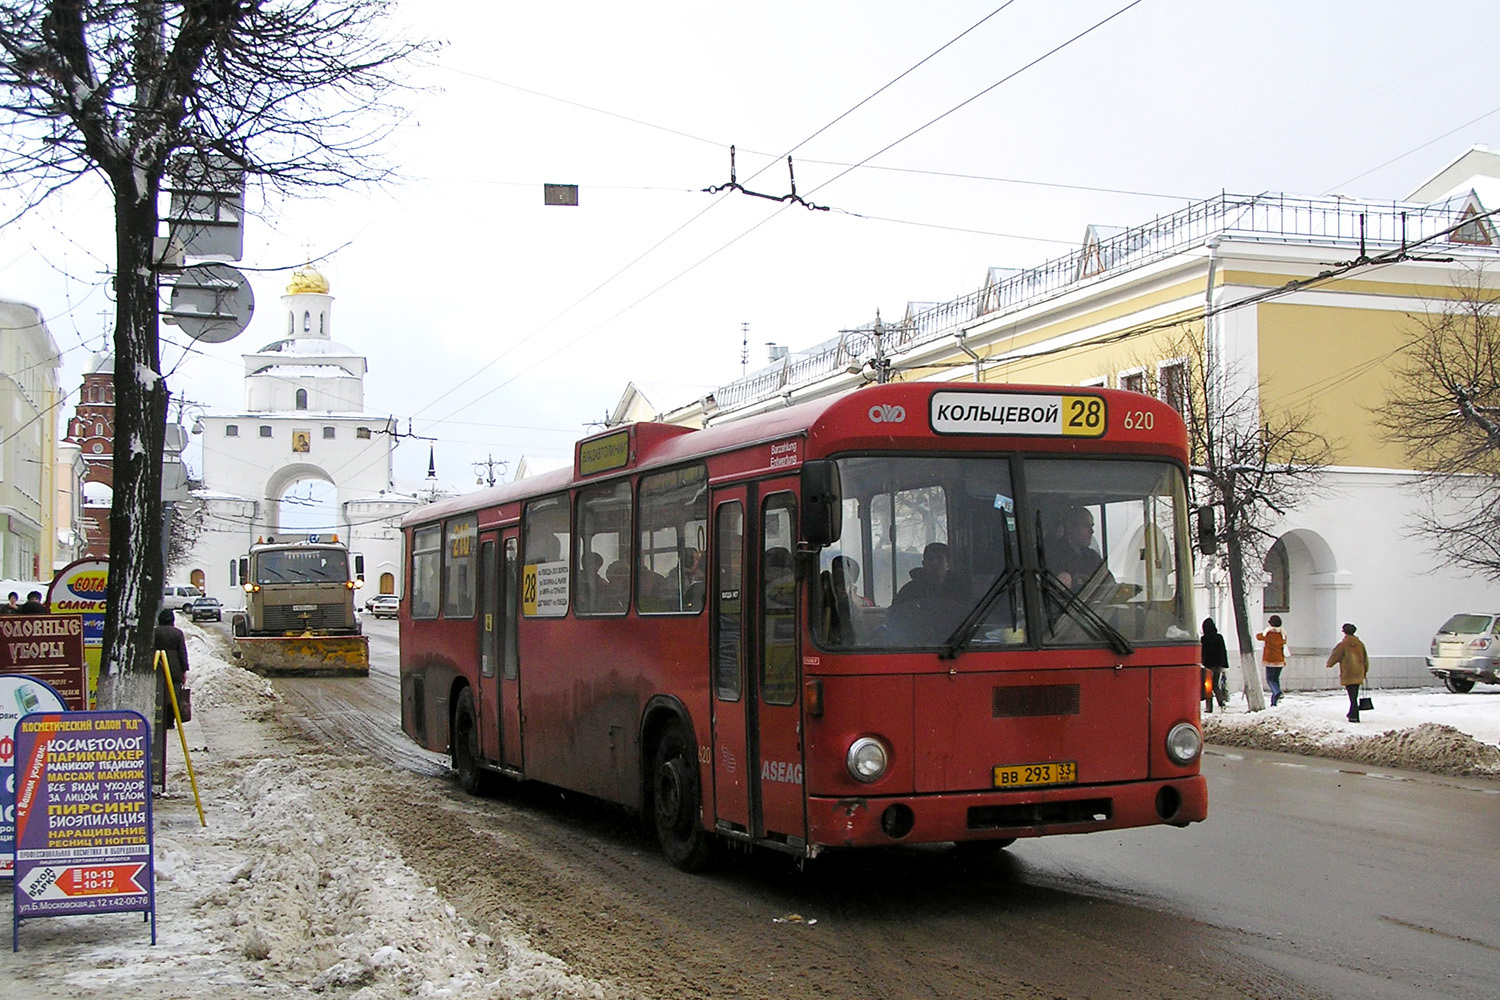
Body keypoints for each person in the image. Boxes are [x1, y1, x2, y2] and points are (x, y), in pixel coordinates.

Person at [1048, 507, 1112, 593]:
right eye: (1086, 526)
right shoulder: (1051, 555)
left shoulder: (1092, 557)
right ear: (1070, 526)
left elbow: (1109, 584)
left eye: (1091, 526)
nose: (1092, 531)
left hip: (1093, 605)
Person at [153, 608, 191, 728]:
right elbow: (182, 652)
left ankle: (159, 719)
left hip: (158, 666)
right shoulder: (177, 633)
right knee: (173, 695)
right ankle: (170, 721)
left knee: (159, 694)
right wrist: (184, 670)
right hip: (175, 669)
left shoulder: (154, 633)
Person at [1326, 622, 1369, 722]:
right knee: (1354, 693)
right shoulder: (1360, 644)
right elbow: (1365, 658)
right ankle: (1351, 713)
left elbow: (1335, 655)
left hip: (1348, 672)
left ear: (1344, 632)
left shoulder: (1343, 644)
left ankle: (1354, 715)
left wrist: (1329, 664)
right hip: (1358, 672)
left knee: (1352, 695)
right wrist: (1365, 670)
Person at [1256, 614, 1288, 706]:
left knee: (1270, 679)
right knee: (1276, 679)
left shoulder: (1268, 633)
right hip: (1280, 660)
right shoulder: (1282, 634)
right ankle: (1274, 702)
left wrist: (1266, 630)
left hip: (1270, 659)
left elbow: (1259, 637)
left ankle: (1278, 692)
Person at [1200, 618, 1229, 712]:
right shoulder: (1219, 637)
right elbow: (1223, 651)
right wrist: (1224, 664)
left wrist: (1201, 662)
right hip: (1218, 665)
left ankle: (1209, 707)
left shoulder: (1204, 639)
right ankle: (1221, 701)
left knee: (1207, 685)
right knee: (1215, 684)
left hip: (1208, 666)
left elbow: (1202, 653)